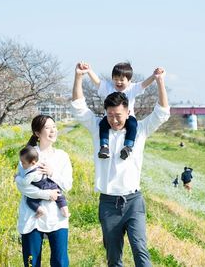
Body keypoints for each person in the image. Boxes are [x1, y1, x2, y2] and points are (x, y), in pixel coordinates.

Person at [72, 62, 170, 267]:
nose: (114, 120)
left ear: (128, 112)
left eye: (118, 116)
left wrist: (160, 82)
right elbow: (79, 107)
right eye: (110, 115)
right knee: (113, 257)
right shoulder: (98, 128)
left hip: (133, 201)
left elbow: (161, 113)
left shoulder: (140, 130)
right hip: (108, 203)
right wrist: (79, 77)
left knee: (140, 250)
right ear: (105, 113)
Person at [15, 114, 73, 267]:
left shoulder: (62, 156)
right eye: (47, 128)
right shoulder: (28, 154)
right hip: (32, 215)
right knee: (32, 262)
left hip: (56, 215)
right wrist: (46, 194)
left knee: (60, 262)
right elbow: (22, 185)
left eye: (54, 127)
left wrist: (52, 173)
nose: (52, 130)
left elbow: (67, 185)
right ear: (37, 133)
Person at [83, 62, 156, 160]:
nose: (118, 82)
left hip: (127, 118)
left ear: (129, 80)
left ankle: (128, 147)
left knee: (132, 125)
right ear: (112, 78)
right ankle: (104, 147)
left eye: (122, 80)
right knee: (103, 124)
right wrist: (89, 71)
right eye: (116, 79)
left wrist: (154, 76)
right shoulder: (108, 87)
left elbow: (144, 84)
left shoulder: (132, 88)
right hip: (110, 118)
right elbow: (97, 82)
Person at [15, 145, 70, 218]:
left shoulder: (31, 174)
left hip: (43, 188)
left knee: (30, 201)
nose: (22, 164)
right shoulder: (39, 163)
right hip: (51, 184)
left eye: (23, 163)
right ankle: (65, 212)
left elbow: (25, 183)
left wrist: (17, 177)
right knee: (60, 197)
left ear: (33, 162)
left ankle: (40, 211)